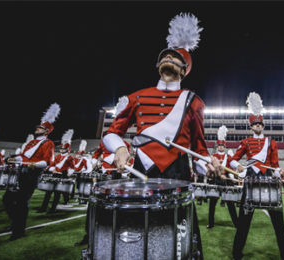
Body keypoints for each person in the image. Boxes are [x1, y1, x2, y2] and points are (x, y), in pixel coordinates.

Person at [96, 13, 221, 259]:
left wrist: (210, 165)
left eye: (175, 57)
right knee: (140, 236)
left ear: (185, 69)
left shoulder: (193, 101)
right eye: (165, 55)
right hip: (143, 171)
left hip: (179, 173)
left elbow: (199, 148)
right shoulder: (137, 97)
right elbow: (112, 133)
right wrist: (121, 149)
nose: (168, 57)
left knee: (183, 240)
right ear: (157, 64)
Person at [229, 92, 284, 260]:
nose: (257, 126)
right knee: (244, 221)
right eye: (255, 124)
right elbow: (232, 160)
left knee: (278, 221)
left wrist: (280, 173)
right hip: (250, 180)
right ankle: (236, 253)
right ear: (251, 126)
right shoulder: (246, 142)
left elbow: (275, 164)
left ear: (263, 125)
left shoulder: (272, 143)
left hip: (268, 182)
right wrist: (239, 165)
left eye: (260, 124)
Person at [4, 103, 58, 240]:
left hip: (32, 175)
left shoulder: (48, 143)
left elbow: (46, 161)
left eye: (40, 128)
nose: (37, 128)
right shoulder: (30, 143)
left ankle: (18, 230)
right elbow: (24, 156)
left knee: (22, 202)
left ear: (46, 131)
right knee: (7, 199)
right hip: (22, 172)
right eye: (38, 127)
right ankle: (16, 221)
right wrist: (13, 159)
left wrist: (34, 164)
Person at [207, 125, 238, 229]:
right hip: (216, 180)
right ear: (217, 146)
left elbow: (230, 169)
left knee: (230, 203)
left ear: (225, 147)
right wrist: (219, 175)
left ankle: (236, 223)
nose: (221, 147)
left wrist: (231, 177)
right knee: (212, 204)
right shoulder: (213, 157)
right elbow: (210, 170)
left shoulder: (228, 157)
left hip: (226, 181)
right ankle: (210, 223)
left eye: (222, 145)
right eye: (219, 145)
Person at [38, 129, 75, 213]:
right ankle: (43, 207)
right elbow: (52, 164)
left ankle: (53, 208)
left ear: (67, 149)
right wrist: (51, 169)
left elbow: (72, 167)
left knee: (57, 192)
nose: (61, 150)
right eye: (61, 148)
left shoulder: (69, 157)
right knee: (48, 192)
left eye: (63, 149)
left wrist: (70, 172)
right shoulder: (58, 156)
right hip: (55, 174)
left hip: (63, 174)